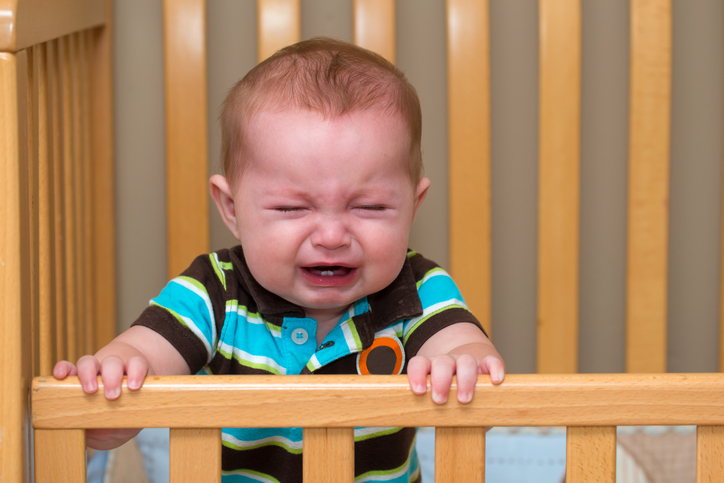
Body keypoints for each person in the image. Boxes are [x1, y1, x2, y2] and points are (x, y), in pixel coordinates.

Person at [54, 37, 505, 482]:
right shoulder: (215, 291)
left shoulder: (417, 289)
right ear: (231, 209)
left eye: (369, 207)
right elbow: (145, 352)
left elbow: (463, 347)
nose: (331, 236)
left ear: (412, 206)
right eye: (292, 208)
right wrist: (114, 377)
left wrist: (467, 366)